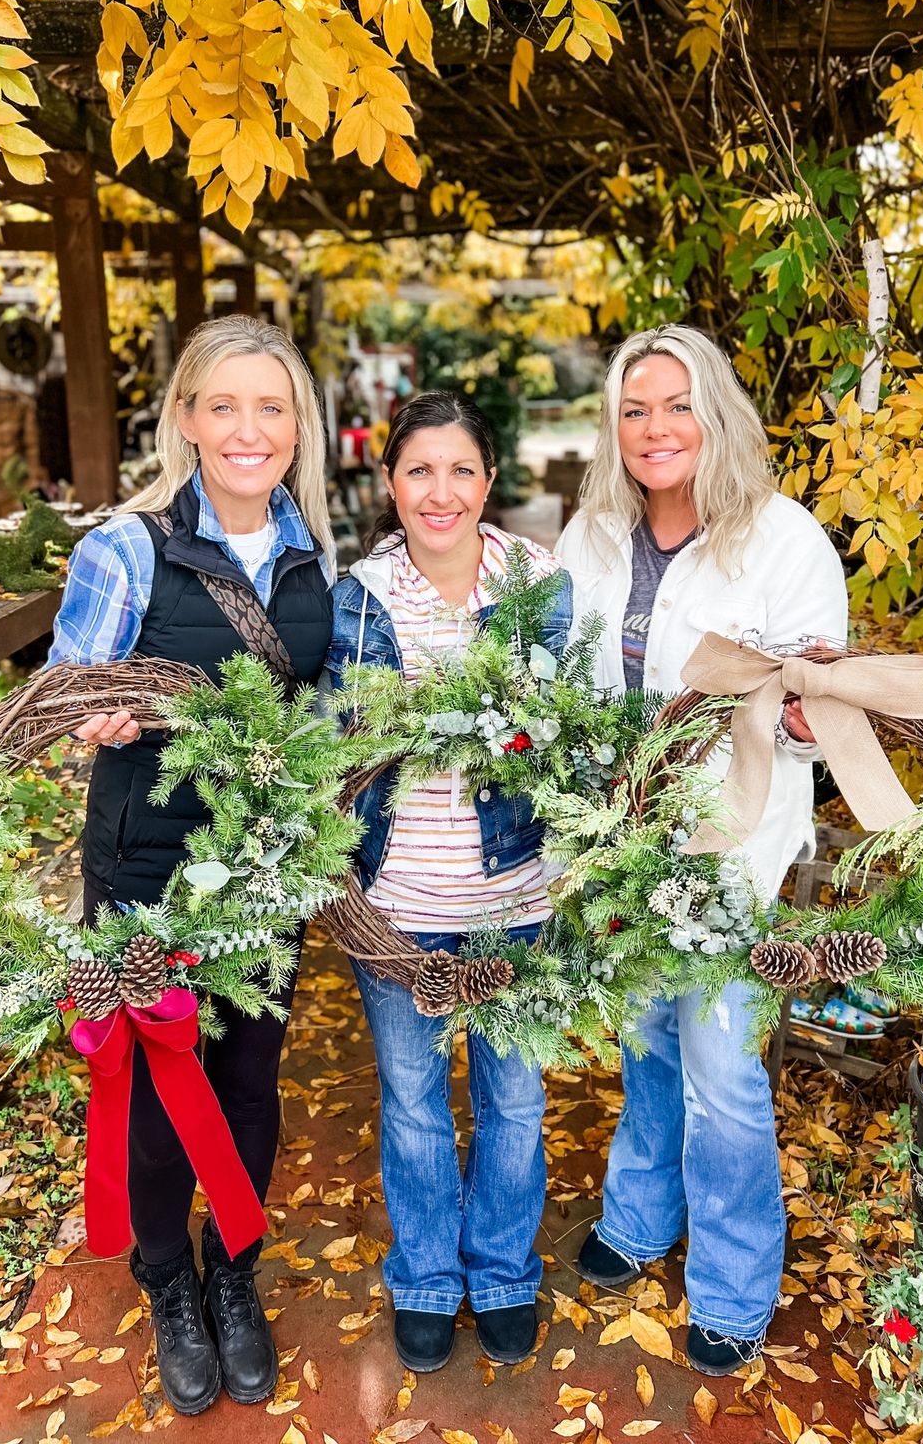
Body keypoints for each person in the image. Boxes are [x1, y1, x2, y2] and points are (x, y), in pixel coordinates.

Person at [46, 316, 336, 1416]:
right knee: (160, 1092)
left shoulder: (312, 548)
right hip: (148, 874)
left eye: (271, 407)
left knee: (250, 1084)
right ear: (185, 420)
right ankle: (168, 1281)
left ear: (297, 424)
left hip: (266, 872)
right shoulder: (128, 547)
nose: (249, 428)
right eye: (224, 405)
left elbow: (319, 706)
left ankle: (234, 1273)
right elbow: (72, 690)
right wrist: (101, 716)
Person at [555, 325, 848, 1379]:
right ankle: (640, 1215)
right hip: (623, 846)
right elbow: (561, 682)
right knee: (645, 1042)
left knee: (723, 1066)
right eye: (634, 410)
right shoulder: (590, 537)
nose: (655, 428)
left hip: (730, 851)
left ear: (715, 413)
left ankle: (731, 1279)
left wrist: (812, 706)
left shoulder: (783, 539)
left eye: (676, 404)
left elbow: (825, 698)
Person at [322, 393, 572, 1376]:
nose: (440, 491)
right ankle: (427, 1278)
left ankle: (504, 1271)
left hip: (518, 903)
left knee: (514, 1100)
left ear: (487, 481)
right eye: (418, 470)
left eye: (460, 470)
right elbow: (337, 744)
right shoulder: (364, 593)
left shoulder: (536, 582)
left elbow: (572, 726)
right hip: (400, 908)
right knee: (416, 1097)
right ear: (390, 483)